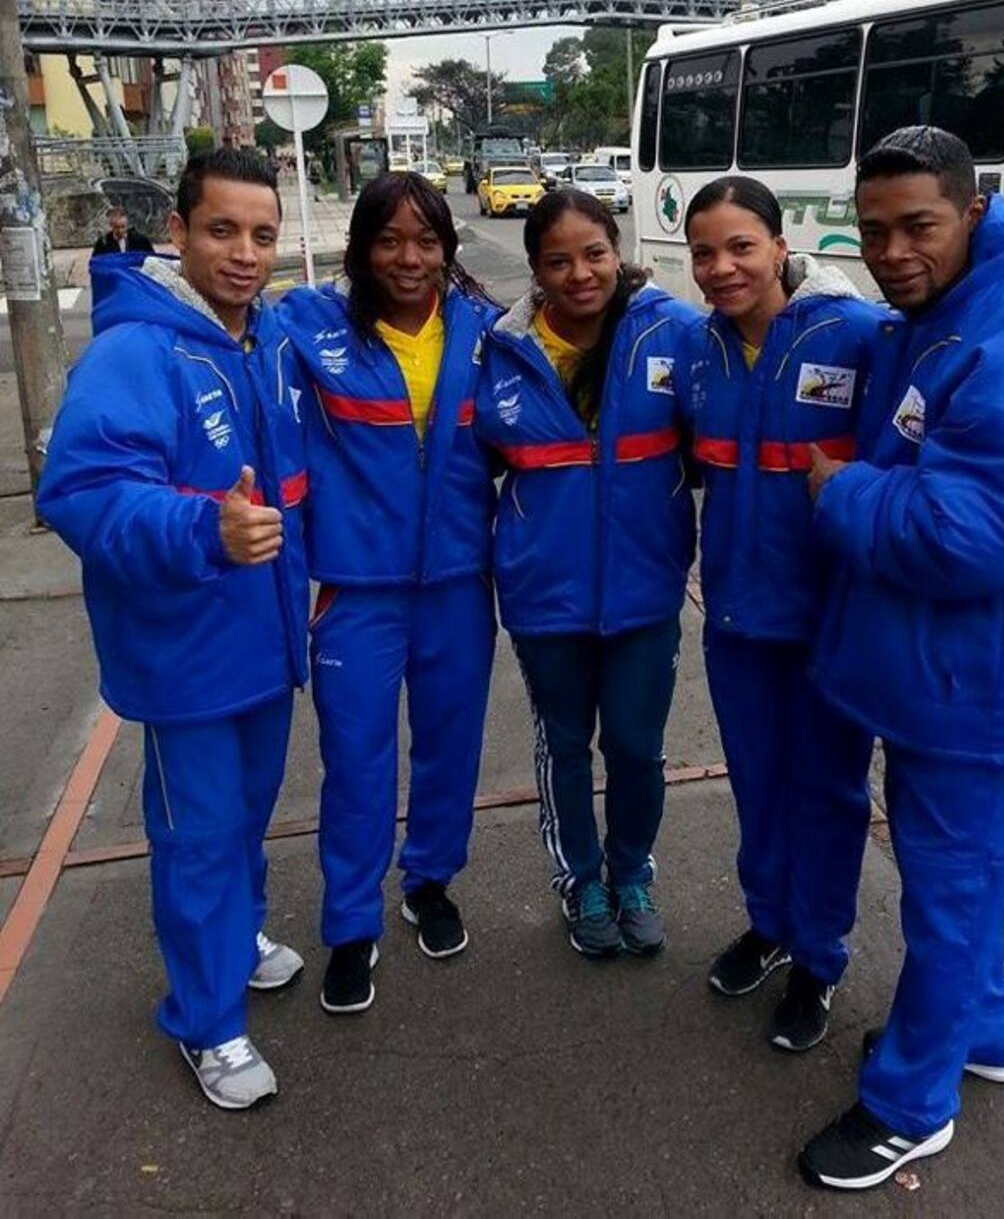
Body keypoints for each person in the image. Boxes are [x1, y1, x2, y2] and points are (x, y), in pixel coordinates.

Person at [796, 127, 1004, 1189]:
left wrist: (841, 493)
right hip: (954, 671)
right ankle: (984, 1030)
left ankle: (911, 1105)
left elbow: (976, 534)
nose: (892, 252)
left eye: (918, 226)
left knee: (952, 892)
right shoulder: (956, 310)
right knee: (961, 886)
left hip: (988, 682)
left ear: (973, 211)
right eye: (877, 229)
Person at [37, 149, 311, 1111]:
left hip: (265, 642)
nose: (244, 253)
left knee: (243, 816)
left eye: (263, 235)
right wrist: (204, 526)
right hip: (185, 650)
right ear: (179, 235)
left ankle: (237, 940)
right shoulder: (136, 350)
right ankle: (206, 1021)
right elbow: (82, 493)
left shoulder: (262, 334)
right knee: (196, 834)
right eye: (222, 230)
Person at [275, 172, 501, 1015]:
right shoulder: (308, 327)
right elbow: (223, 321)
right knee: (357, 762)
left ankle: (431, 882)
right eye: (389, 241)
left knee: (450, 748)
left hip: (455, 584)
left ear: (448, 247)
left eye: (426, 240)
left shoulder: (484, 332)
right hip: (357, 590)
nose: (409, 258)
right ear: (362, 248)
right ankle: (350, 925)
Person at [679, 176, 882, 1051]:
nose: (721, 268)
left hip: (832, 623)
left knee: (828, 794)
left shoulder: (860, 335)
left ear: (780, 244)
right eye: (702, 253)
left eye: (740, 247)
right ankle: (769, 926)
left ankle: (820, 959)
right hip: (737, 623)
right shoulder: (697, 351)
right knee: (758, 787)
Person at [473, 188, 703, 958]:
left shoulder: (672, 330)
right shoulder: (500, 349)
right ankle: (581, 878)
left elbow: (758, 352)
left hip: (646, 589)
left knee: (637, 745)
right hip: (545, 596)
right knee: (564, 744)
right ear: (535, 268)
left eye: (594, 254)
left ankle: (631, 870)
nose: (579, 274)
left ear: (618, 249)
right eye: (558, 261)